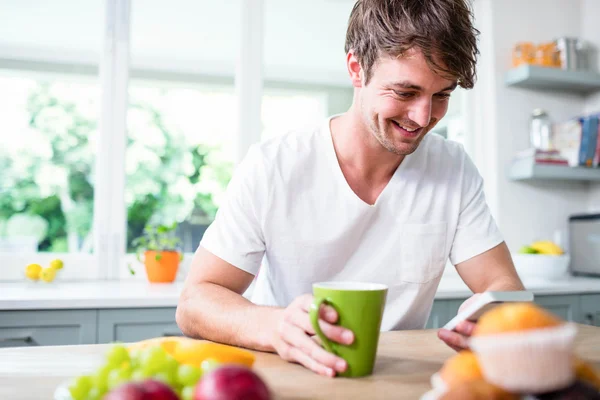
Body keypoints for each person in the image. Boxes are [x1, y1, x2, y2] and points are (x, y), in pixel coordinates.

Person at [176, 0, 524, 378]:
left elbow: (501, 286)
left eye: (442, 95)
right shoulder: (273, 167)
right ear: (356, 68)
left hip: (396, 381)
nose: (425, 118)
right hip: (290, 376)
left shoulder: (453, 169)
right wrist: (272, 327)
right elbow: (196, 300)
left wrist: (491, 320)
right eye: (405, 93)